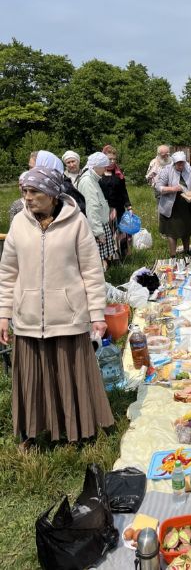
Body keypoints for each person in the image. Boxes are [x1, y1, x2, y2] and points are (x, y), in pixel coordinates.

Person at [0, 167, 114, 449]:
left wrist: (97, 314)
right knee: (33, 379)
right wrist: (3, 314)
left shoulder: (76, 222)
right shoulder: (19, 223)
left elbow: (92, 271)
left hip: (68, 316)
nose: (28, 197)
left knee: (69, 375)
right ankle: (32, 432)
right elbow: (8, 272)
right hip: (28, 319)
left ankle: (78, 431)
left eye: (34, 192)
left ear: (52, 194)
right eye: (25, 191)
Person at [156, 151, 191, 257]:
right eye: (178, 163)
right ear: (174, 163)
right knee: (172, 232)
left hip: (186, 205)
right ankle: (173, 255)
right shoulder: (166, 170)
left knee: (186, 230)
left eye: (182, 163)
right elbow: (158, 187)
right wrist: (172, 189)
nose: (180, 165)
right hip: (171, 206)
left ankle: (187, 252)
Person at [77, 152, 116, 269]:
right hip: (95, 226)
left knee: (102, 258)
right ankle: (99, 279)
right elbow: (92, 208)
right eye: (103, 166)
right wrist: (98, 232)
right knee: (96, 260)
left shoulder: (92, 178)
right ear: (96, 166)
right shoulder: (87, 181)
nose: (105, 169)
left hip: (99, 223)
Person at [99, 145, 132, 258]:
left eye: (114, 159)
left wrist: (129, 206)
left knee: (121, 232)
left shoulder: (118, 174)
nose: (112, 161)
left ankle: (122, 257)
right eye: (110, 159)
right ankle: (109, 257)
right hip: (104, 210)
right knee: (108, 233)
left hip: (119, 209)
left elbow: (124, 191)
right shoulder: (98, 174)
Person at [34, 150, 86, 214]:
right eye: (68, 162)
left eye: (73, 161)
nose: (71, 165)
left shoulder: (85, 175)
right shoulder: (62, 178)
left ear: (78, 161)